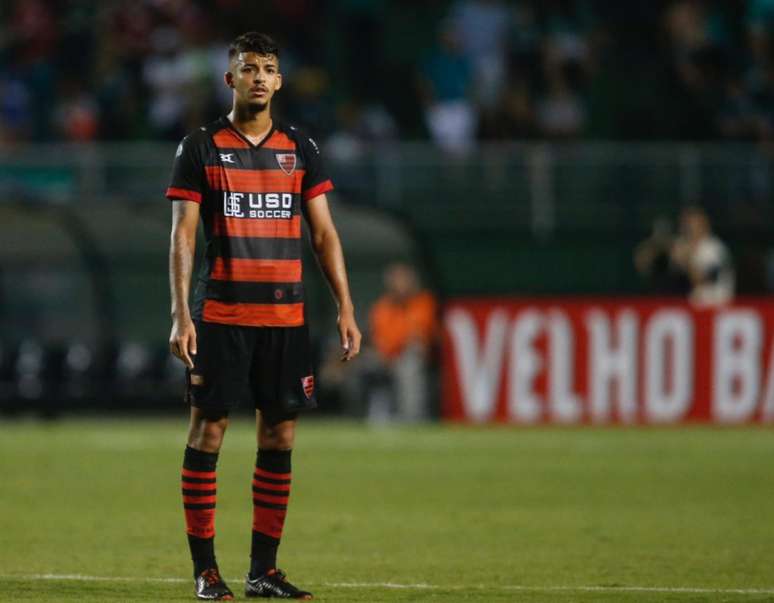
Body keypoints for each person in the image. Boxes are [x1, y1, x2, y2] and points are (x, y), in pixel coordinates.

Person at [166, 32, 361, 600]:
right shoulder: (199, 146)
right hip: (222, 315)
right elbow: (181, 235)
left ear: (279, 81)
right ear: (230, 79)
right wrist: (181, 313)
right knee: (210, 429)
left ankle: (262, 571)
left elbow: (323, 233)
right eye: (248, 67)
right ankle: (206, 571)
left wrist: (346, 306)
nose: (258, 76)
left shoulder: (300, 148)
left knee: (279, 434)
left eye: (268, 68)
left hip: (286, 318)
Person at [368, 263, 438, 422]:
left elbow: (417, 335)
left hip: (411, 356)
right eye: (395, 281)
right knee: (356, 362)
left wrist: (393, 354)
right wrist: (383, 354)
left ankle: (411, 417)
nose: (399, 285)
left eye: (403, 280)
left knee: (410, 361)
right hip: (384, 356)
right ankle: (362, 416)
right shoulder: (382, 306)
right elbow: (376, 336)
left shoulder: (423, 302)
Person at [670, 206, 735, 307]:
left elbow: (701, 280)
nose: (689, 228)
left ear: (705, 224)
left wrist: (687, 259)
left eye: (693, 223)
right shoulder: (683, 244)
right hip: (695, 305)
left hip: (716, 306)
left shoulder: (714, 247)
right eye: (687, 224)